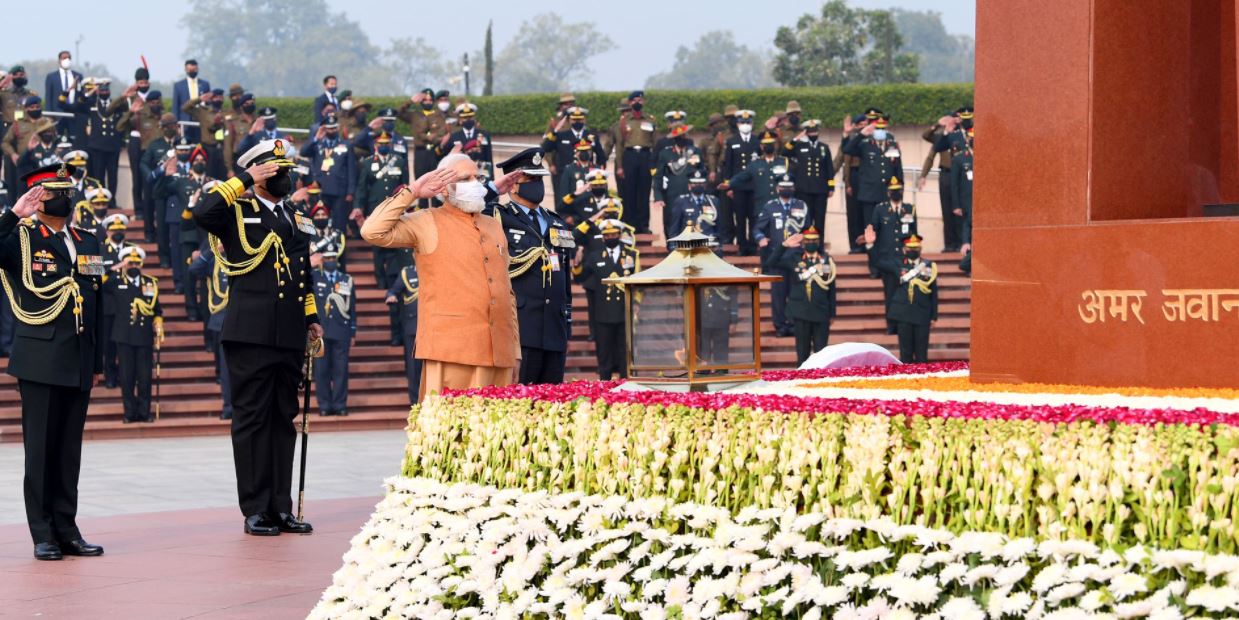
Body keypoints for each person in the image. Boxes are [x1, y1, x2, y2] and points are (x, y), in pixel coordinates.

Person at [192, 138, 321, 537]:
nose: (285, 177)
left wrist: (312, 317)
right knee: (251, 419)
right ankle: (254, 508)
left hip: (288, 333)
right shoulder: (236, 209)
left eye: (286, 170)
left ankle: (280, 506)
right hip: (249, 333)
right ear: (259, 173)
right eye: (276, 171)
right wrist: (243, 180)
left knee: (284, 419)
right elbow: (202, 212)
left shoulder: (296, 217)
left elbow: (303, 273)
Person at [0, 163, 106, 561]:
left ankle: (68, 528)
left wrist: (97, 360)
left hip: (78, 358)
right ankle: (42, 532)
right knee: (41, 450)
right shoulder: (21, 239)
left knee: (68, 451)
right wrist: (14, 214)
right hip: (41, 357)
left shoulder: (87, 240)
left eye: (67, 188)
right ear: (38, 198)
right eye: (54, 190)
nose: (64, 196)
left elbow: (95, 302)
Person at [360, 153, 519, 397]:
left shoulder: (493, 224)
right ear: (444, 189)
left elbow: (506, 291)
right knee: (450, 430)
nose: (475, 184)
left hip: (499, 350)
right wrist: (412, 191)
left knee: (495, 430)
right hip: (451, 349)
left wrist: (514, 350)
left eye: (478, 177)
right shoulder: (427, 221)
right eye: (466, 178)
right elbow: (372, 231)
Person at [496, 148, 573, 385]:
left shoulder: (555, 221)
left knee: (552, 401)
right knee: (520, 400)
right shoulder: (499, 217)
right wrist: (494, 189)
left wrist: (566, 317)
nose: (537, 185)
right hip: (522, 328)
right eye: (531, 179)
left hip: (554, 326)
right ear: (513, 185)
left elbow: (565, 273)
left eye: (540, 179)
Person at [351, 132, 408, 344]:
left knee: (394, 245)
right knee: (376, 247)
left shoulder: (399, 160)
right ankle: (380, 279)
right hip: (375, 209)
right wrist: (358, 207)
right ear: (376, 145)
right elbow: (361, 188)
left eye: (387, 144)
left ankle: (392, 278)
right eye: (380, 144)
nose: (384, 146)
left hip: (393, 209)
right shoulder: (368, 163)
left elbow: (405, 184)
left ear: (390, 144)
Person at [106, 245, 163, 423]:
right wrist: (115, 268)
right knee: (127, 376)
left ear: (141, 265)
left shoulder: (150, 283)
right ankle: (129, 413)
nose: (133, 267)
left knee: (145, 377)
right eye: (130, 264)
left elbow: (157, 310)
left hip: (144, 336)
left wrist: (159, 323)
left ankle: (144, 413)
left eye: (136, 264)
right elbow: (95, 280)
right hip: (124, 336)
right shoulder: (116, 281)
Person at [578, 221, 639, 380]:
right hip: (603, 311)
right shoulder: (594, 256)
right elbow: (580, 276)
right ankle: (604, 385)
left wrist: (636, 304)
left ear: (619, 235)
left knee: (624, 351)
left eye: (613, 235)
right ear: (603, 237)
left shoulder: (631, 255)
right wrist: (577, 262)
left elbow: (637, 282)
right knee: (604, 352)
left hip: (623, 310)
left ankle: (626, 383)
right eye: (607, 235)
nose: (610, 237)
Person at [844, 113, 904, 275]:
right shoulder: (864, 142)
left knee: (889, 231)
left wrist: (900, 189)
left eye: (883, 128)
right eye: (877, 128)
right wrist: (861, 134)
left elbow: (898, 167)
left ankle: (890, 265)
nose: (880, 131)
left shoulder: (891, 141)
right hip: (869, 195)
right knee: (871, 232)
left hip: (887, 195)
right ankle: (874, 267)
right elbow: (847, 149)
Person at [773, 226, 837, 364]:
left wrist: (832, 313)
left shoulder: (826, 260)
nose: (810, 243)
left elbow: (830, 287)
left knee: (822, 356)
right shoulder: (795, 258)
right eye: (807, 241)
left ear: (818, 242)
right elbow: (771, 262)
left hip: (821, 312)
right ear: (803, 243)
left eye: (813, 240)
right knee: (802, 355)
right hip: (801, 312)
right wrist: (784, 245)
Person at [753, 176, 807, 338]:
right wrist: (760, 238)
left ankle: (793, 323)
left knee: (796, 293)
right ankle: (780, 325)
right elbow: (757, 228)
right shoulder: (770, 207)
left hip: (796, 257)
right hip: (777, 256)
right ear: (777, 189)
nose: (786, 190)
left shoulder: (801, 205)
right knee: (778, 294)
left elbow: (808, 228)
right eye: (783, 187)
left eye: (789, 187)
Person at [864, 177, 918, 334]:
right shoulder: (880, 209)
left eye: (899, 190)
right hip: (887, 260)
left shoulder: (909, 209)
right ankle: (891, 325)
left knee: (906, 294)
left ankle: (904, 324)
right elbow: (874, 232)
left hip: (904, 260)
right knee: (890, 294)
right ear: (888, 192)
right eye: (893, 191)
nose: (896, 193)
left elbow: (913, 233)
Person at [188, 238, 233, 419]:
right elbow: (194, 269)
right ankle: (229, 407)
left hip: (246, 321)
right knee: (226, 369)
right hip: (222, 321)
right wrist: (214, 250)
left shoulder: (244, 259)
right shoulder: (215, 259)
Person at [311, 250, 355, 416]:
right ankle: (324, 405)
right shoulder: (315, 277)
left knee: (340, 371)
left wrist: (353, 332)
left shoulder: (346, 280)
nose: (330, 261)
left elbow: (352, 308)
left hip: (341, 331)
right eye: (327, 258)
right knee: (321, 371)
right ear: (323, 260)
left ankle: (340, 404)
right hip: (320, 332)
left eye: (333, 258)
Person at [612, 91, 657, 234]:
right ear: (630, 103)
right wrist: (619, 166)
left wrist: (654, 164)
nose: (638, 102)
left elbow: (655, 144)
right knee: (629, 192)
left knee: (644, 192)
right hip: (629, 156)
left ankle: (643, 225)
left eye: (640, 99)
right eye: (635, 100)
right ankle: (629, 224)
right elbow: (619, 145)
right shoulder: (624, 121)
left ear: (643, 102)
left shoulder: (650, 120)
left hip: (645, 156)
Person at [302, 113, 355, 232]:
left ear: (338, 128)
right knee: (319, 221)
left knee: (339, 223)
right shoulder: (317, 144)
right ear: (324, 129)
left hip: (339, 191)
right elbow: (303, 152)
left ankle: (340, 249)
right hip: (320, 190)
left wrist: (350, 191)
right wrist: (316, 137)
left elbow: (352, 169)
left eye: (334, 128)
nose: (331, 130)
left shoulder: (346, 145)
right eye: (329, 128)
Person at [888, 235, 938, 363]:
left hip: (922, 314)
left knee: (922, 355)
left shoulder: (928, 266)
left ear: (920, 249)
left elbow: (933, 292)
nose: (913, 250)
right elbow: (878, 262)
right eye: (910, 248)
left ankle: (922, 382)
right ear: (904, 249)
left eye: (916, 248)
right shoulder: (897, 264)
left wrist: (934, 316)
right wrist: (870, 246)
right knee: (906, 355)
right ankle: (907, 382)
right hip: (903, 314)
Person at [99, 213, 135, 388]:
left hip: (128, 303)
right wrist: (113, 269)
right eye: (114, 230)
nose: (118, 232)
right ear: (107, 231)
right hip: (108, 305)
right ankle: (110, 375)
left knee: (127, 343)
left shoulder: (132, 250)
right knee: (108, 344)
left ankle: (125, 375)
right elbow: (93, 277)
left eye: (121, 229)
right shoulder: (98, 248)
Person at [543, 106, 605, 206]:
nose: (577, 122)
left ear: (584, 120)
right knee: (562, 202)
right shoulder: (561, 135)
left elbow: (601, 156)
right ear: (570, 120)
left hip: (586, 176)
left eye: (580, 119)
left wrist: (599, 171)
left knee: (586, 203)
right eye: (575, 119)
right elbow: (545, 147)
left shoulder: (591, 136)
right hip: (563, 175)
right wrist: (555, 131)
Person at [73, 79, 125, 195]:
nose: (105, 92)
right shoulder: (92, 104)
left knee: (113, 176)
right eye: (102, 90)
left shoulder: (114, 105)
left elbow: (123, 117)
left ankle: (111, 200)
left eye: (106, 90)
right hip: (97, 146)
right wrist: (92, 91)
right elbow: (78, 104)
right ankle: (100, 196)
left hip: (113, 146)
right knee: (99, 175)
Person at [398, 89, 448, 209]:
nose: (427, 102)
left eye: (430, 100)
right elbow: (398, 113)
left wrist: (432, 138)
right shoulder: (415, 114)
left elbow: (442, 132)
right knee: (420, 183)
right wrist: (410, 101)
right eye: (425, 100)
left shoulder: (438, 115)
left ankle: (438, 212)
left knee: (437, 184)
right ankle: (422, 212)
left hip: (435, 152)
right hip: (420, 152)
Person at [784, 119, 836, 235]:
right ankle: (804, 247)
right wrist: (795, 139)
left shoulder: (824, 147)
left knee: (820, 220)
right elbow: (784, 152)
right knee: (805, 219)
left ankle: (819, 248)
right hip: (804, 189)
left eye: (815, 132)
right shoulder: (799, 146)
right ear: (806, 133)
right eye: (811, 132)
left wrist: (831, 187)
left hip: (820, 189)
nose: (813, 134)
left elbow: (829, 168)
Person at [653, 123, 704, 237]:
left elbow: (702, 172)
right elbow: (658, 177)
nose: (684, 138)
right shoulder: (665, 153)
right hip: (672, 195)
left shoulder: (695, 152)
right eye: (681, 137)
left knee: (693, 222)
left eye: (685, 135)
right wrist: (658, 197)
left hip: (692, 194)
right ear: (675, 138)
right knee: (672, 223)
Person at [719, 109, 758, 253]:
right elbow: (728, 166)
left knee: (753, 217)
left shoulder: (756, 140)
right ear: (737, 123)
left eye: (748, 122)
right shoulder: (732, 141)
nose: (746, 125)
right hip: (739, 186)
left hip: (754, 186)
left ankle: (753, 245)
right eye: (743, 122)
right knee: (740, 218)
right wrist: (729, 186)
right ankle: (742, 246)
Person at [384, 262, 421, 406]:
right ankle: (415, 401)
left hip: (431, 328)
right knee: (413, 368)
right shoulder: (407, 273)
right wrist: (391, 295)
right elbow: (394, 290)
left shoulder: (434, 270)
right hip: (412, 327)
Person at [182, 88, 228, 180]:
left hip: (223, 148)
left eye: (220, 97)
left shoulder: (226, 112)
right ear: (211, 99)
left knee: (223, 176)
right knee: (210, 176)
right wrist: (199, 99)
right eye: (216, 97)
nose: (218, 99)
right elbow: (185, 108)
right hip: (208, 148)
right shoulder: (203, 111)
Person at [441, 103, 494, 180]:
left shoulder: (483, 135)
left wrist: (491, 179)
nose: (468, 120)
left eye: (470, 117)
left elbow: (488, 157)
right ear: (460, 120)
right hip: (461, 174)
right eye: (465, 118)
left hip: (480, 173)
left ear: (474, 118)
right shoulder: (454, 136)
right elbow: (446, 155)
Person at [556, 140, 601, 223]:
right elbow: (563, 195)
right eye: (581, 151)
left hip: (594, 212)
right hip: (575, 213)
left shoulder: (597, 169)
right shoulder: (569, 170)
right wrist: (566, 216)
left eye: (587, 151)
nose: (585, 153)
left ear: (591, 153)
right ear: (576, 153)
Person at [668, 171, 721, 241]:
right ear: (689, 185)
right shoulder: (681, 201)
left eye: (700, 183)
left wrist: (719, 245)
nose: (697, 185)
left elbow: (719, 227)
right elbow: (675, 227)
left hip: (709, 243)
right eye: (695, 183)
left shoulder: (713, 201)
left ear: (705, 185)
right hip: (688, 243)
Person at [44, 51, 84, 143]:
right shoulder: (51, 77)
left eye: (68, 58)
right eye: (64, 58)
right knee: (56, 140)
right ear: (59, 60)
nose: (66, 60)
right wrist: (49, 116)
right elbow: (48, 97)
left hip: (74, 115)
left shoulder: (78, 76)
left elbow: (81, 96)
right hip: (58, 115)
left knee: (75, 140)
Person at [172, 60, 209, 143]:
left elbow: (208, 104)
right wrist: (176, 125)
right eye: (190, 70)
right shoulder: (178, 85)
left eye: (194, 69)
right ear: (185, 69)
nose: (192, 71)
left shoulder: (204, 84)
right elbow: (175, 106)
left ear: (198, 69)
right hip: (184, 122)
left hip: (200, 121)